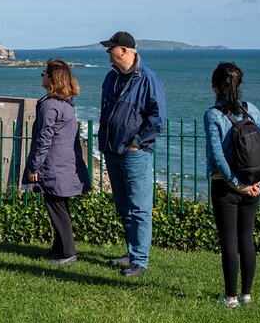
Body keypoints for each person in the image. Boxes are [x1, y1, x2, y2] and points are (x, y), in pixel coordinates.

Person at [203, 62, 260, 307]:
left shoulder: (212, 115)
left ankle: (230, 297)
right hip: (252, 186)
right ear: (238, 84)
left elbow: (217, 156)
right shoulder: (252, 110)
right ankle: (247, 294)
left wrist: (235, 183)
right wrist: (259, 182)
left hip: (225, 187)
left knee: (229, 243)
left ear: (215, 87)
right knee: (247, 238)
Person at [98, 31, 166, 277]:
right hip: (112, 150)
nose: (108, 52)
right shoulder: (111, 78)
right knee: (124, 205)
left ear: (125, 51)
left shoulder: (147, 79)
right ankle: (131, 252)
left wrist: (136, 143)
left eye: (111, 48)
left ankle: (139, 260)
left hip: (134, 153)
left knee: (139, 207)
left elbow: (158, 119)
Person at [22, 59, 90, 265]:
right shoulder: (66, 103)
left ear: (53, 78)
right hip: (65, 164)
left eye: (44, 73)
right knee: (60, 206)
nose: (41, 75)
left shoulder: (50, 105)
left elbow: (44, 139)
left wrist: (34, 166)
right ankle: (59, 248)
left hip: (54, 165)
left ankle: (67, 253)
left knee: (56, 208)